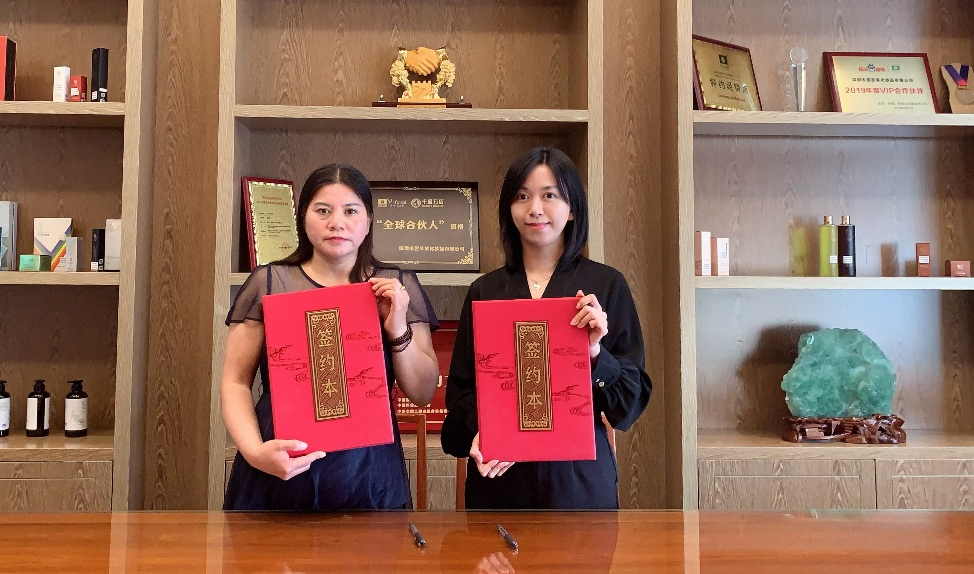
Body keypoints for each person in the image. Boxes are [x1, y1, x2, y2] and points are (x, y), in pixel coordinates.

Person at [441, 146, 651, 509]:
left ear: (573, 209)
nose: (535, 208)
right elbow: (460, 397)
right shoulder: (485, 291)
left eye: (549, 195)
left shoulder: (606, 285)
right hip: (500, 481)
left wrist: (594, 354)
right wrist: (484, 429)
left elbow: (630, 404)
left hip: (579, 484)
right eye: (522, 196)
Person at [221, 163, 441, 511]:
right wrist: (254, 452)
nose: (336, 222)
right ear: (302, 217)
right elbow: (235, 381)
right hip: (278, 462)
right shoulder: (269, 282)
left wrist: (397, 327)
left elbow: (422, 392)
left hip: (368, 470)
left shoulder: (397, 286)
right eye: (323, 210)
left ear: (369, 221)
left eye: (351, 211)